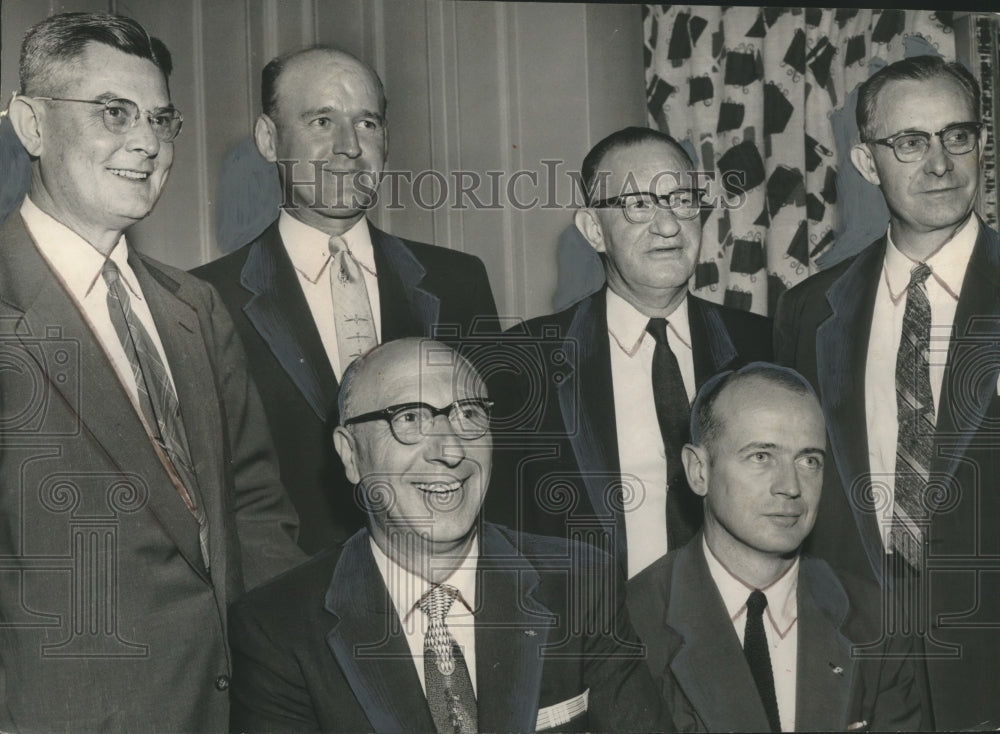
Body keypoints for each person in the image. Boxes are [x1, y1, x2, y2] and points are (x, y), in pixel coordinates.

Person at [0, 12, 305, 731]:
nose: (147, 143)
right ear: (30, 125)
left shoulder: (194, 307)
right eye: (114, 113)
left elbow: (256, 512)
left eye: (162, 120)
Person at [228, 338, 670, 733]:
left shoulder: (579, 581)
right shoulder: (278, 628)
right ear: (350, 454)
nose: (451, 449)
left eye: (469, 414)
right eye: (409, 418)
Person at [193, 46, 498, 555]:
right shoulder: (204, 300)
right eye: (321, 121)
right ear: (269, 139)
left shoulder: (458, 282)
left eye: (367, 124)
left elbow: (486, 459)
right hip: (284, 605)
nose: (348, 146)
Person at [774, 54, 1000, 730]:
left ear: (982, 145)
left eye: (956, 135)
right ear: (868, 163)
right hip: (858, 668)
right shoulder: (809, 312)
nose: (939, 162)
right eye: (910, 141)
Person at [487, 126, 772, 580]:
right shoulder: (523, 363)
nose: (667, 225)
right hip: (595, 637)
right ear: (593, 230)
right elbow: (503, 537)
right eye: (638, 205)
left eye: (682, 200)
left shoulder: (765, 347)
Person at [628, 364, 929, 732]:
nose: (790, 486)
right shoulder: (632, 623)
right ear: (698, 470)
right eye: (761, 456)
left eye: (808, 460)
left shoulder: (877, 622)